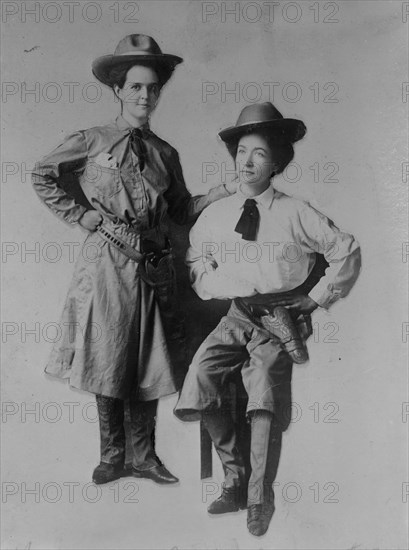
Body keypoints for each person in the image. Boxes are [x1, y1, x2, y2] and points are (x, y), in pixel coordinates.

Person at [31, 34, 236, 486]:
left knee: (148, 359)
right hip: (106, 261)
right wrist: (80, 214)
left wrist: (220, 193)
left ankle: (144, 457)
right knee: (108, 355)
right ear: (119, 91)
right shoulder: (91, 140)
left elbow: (180, 210)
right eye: (136, 87)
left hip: (153, 265)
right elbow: (43, 175)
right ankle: (112, 456)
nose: (145, 96)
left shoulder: (165, 153)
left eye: (153, 88)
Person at [174, 102, 361, 536]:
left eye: (259, 153)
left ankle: (260, 497)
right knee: (199, 383)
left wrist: (314, 300)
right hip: (237, 314)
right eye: (241, 152)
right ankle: (235, 479)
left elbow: (346, 249)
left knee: (262, 403)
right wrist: (212, 286)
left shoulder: (296, 211)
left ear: (276, 162)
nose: (248, 161)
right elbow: (196, 258)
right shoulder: (218, 213)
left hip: (279, 319)